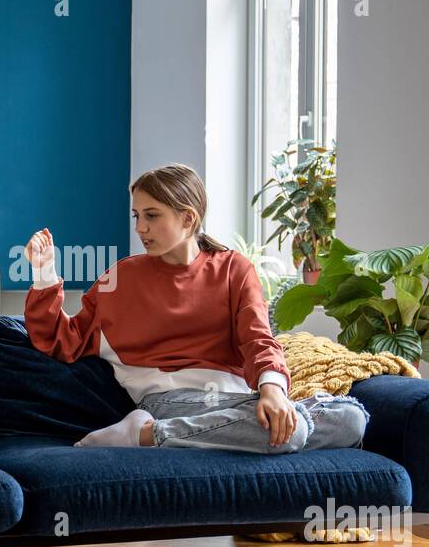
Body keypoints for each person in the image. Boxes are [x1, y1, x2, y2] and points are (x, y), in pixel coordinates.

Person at [23, 163, 367, 453]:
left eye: (152, 216)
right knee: (288, 431)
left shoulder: (235, 269)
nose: (140, 227)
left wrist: (273, 391)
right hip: (168, 403)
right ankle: (145, 432)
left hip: (236, 399)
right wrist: (44, 275)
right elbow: (62, 340)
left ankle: (155, 435)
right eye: (137, 215)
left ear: (188, 219)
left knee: (353, 418)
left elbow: (258, 338)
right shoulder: (121, 278)